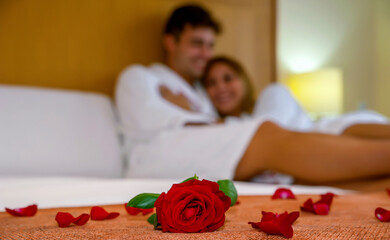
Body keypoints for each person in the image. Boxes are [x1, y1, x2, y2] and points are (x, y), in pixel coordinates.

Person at [115, 4, 390, 184]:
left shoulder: (198, 92)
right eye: (197, 44)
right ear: (170, 41)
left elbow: (219, 123)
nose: (206, 54)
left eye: (210, 45)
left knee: (324, 127)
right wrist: (189, 115)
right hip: (154, 156)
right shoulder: (140, 76)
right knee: (263, 135)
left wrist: (192, 111)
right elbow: (144, 122)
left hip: (199, 144)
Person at [201, 56, 390, 137]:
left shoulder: (272, 94)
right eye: (211, 83)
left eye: (228, 78)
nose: (221, 88)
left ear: (243, 80)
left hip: (334, 132)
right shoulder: (224, 131)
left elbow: (268, 133)